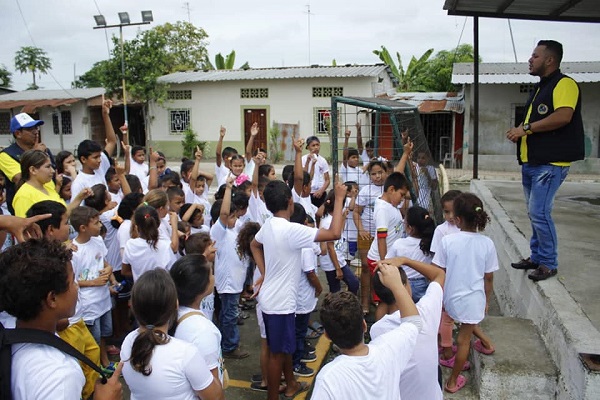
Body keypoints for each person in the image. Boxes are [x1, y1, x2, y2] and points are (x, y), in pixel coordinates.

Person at [250, 176, 347, 400]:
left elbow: (255, 245)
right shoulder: (291, 230)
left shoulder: (270, 225)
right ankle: (273, 397)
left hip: (273, 300)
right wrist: (339, 198)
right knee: (277, 353)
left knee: (283, 347)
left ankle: (291, 384)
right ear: (290, 201)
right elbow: (334, 234)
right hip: (280, 303)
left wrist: (265, 273)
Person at [0, 238, 123, 400]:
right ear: (52, 299)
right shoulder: (60, 375)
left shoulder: (7, 331)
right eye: (72, 281)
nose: (77, 286)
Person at [506, 40, 585, 282]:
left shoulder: (564, 84)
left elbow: (563, 116)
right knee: (534, 213)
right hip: (533, 163)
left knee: (540, 212)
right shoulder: (542, 87)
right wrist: (521, 130)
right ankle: (537, 256)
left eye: (535, 56)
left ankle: (548, 263)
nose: (530, 60)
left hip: (550, 164)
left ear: (550, 60)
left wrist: (525, 128)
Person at [311, 264, 422, 399]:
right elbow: (414, 322)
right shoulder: (389, 348)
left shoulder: (328, 378)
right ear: (364, 325)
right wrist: (397, 285)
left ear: (327, 335)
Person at [120, 268, 224, 400]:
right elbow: (215, 397)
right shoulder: (185, 353)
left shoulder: (128, 342)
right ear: (176, 304)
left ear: (133, 306)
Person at [432, 193, 498, 393]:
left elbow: (438, 272)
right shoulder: (487, 244)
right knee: (464, 340)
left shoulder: (448, 241)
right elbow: (488, 278)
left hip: (451, 298)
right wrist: (487, 300)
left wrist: (438, 296)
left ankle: (484, 344)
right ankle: (453, 381)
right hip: (473, 301)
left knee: (461, 324)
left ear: (458, 219)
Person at [372, 256, 445, 400]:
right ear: (404, 286)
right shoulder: (427, 310)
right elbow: (439, 274)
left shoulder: (378, 330)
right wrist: (406, 260)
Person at [70, 206, 118, 371]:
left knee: (105, 333)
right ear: (83, 228)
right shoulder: (74, 252)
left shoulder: (98, 240)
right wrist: (93, 283)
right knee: (94, 339)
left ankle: (104, 361)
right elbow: (73, 281)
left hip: (103, 299)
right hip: (89, 304)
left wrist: (109, 269)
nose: (100, 226)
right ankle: (96, 369)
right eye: (96, 223)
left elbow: (103, 261)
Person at [170, 254, 225, 386]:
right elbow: (213, 389)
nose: (214, 277)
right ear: (203, 287)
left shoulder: (169, 314)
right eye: (211, 274)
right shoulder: (203, 331)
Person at [210, 175, 249, 359]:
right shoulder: (219, 231)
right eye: (231, 216)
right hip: (228, 282)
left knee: (228, 314)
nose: (234, 218)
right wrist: (228, 187)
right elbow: (225, 215)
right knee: (229, 316)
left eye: (235, 215)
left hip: (236, 281)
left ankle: (226, 341)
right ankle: (229, 346)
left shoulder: (235, 227)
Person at [366, 172, 410, 320]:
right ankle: (379, 329)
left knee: (390, 299)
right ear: (391, 190)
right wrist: (384, 262)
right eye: (401, 195)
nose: (402, 199)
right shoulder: (383, 209)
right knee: (384, 301)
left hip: (386, 259)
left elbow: (398, 171)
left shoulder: (389, 204)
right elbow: (381, 237)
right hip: (380, 260)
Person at [0, 112, 54, 215]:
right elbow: (21, 178)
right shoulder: (6, 155)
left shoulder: (44, 150)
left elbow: (54, 175)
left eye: (36, 128)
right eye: (30, 129)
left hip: (51, 202)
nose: (35, 132)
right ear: (18, 133)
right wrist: (36, 154)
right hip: (28, 208)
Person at [12, 149, 89, 217]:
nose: (52, 171)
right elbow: (25, 227)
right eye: (48, 167)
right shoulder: (24, 196)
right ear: (33, 170)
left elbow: (63, 213)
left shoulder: (48, 187)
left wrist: (80, 197)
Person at [70, 99, 118, 202]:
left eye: (99, 156)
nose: (99, 160)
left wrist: (105, 115)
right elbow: (78, 212)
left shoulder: (99, 168)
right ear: (83, 159)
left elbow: (111, 141)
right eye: (95, 157)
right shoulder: (79, 183)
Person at [386, 206, 435, 303]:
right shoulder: (431, 244)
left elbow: (388, 261)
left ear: (410, 228)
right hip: (424, 284)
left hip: (403, 283)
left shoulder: (399, 243)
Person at [319, 191, 359, 296]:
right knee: (344, 287)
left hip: (337, 259)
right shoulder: (328, 222)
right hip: (332, 262)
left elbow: (338, 233)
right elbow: (330, 247)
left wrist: (343, 218)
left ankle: (342, 305)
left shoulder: (333, 218)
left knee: (339, 288)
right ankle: (343, 306)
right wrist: (338, 269)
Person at [121, 205, 174, 281]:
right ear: (158, 224)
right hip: (162, 290)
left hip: (141, 289)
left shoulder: (130, 244)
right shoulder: (166, 246)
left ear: (136, 226)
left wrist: (140, 275)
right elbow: (173, 272)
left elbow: (125, 271)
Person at [301, 136, 330, 208]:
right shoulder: (304, 159)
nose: (316, 147)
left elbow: (327, 180)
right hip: (308, 192)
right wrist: (308, 161)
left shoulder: (322, 160)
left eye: (317, 145)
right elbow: (303, 175)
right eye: (313, 145)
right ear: (308, 147)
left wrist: (321, 190)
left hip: (320, 193)